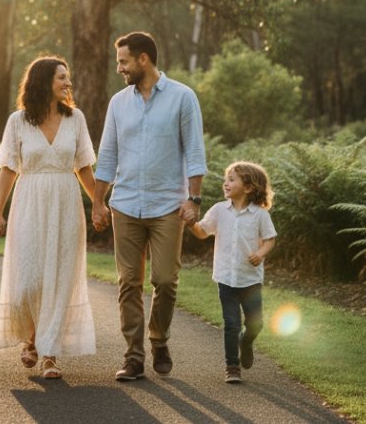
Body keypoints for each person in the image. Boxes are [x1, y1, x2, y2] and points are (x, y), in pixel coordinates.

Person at [91, 31, 207, 381]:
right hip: (125, 204)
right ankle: (134, 356)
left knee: (166, 280)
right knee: (128, 281)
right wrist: (98, 202)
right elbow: (107, 155)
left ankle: (158, 340)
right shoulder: (118, 103)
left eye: (124, 62)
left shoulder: (183, 98)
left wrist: (194, 199)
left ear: (143, 59)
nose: (120, 69)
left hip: (167, 205)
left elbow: (195, 153)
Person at [0, 56, 98, 380]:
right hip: (29, 202)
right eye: (61, 77)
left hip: (65, 202)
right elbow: (8, 168)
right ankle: (31, 336)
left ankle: (48, 353)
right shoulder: (18, 121)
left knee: (60, 280)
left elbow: (84, 167)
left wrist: (100, 204)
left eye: (68, 77)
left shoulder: (75, 118)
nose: (68, 83)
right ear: (42, 81)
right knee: (29, 281)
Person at [188, 161, 278, 383]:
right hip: (226, 278)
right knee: (231, 324)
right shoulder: (219, 210)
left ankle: (245, 342)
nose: (225, 183)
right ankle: (232, 367)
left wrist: (261, 253)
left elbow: (270, 239)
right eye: (226, 179)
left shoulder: (260, 215)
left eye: (231, 179)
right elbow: (202, 232)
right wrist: (191, 223)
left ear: (248, 187)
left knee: (256, 324)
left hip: (250, 280)